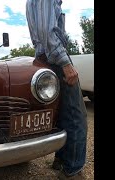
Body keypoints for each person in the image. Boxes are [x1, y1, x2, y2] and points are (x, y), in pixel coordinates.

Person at [25, 0, 88, 179]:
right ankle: (73, 170)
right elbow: (47, 31)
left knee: (62, 112)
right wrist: (65, 62)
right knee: (76, 116)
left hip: (45, 57)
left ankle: (61, 159)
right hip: (55, 58)